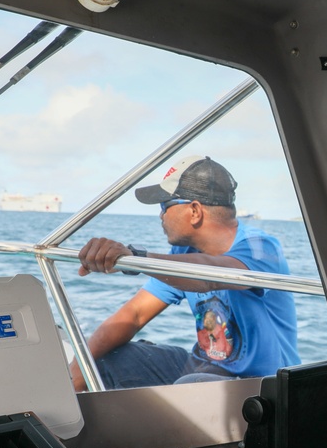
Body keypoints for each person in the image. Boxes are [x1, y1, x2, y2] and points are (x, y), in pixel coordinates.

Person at [69, 155, 299, 391]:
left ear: (195, 211)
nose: (160, 216)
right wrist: (77, 371)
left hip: (265, 388)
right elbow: (135, 314)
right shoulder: (184, 253)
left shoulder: (259, 247)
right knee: (106, 359)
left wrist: (134, 259)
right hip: (202, 371)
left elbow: (211, 275)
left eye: (164, 206)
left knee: (192, 385)